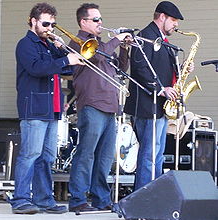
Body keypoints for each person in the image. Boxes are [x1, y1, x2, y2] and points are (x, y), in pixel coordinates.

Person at [9, 2, 83, 214]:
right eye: (46, 23)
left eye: (53, 23)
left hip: (52, 109)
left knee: (47, 157)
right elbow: (36, 68)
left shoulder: (48, 45)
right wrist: (63, 60)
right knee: (30, 155)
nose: (50, 27)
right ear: (33, 21)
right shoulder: (26, 44)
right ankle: (21, 199)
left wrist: (62, 50)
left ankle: (44, 199)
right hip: (34, 108)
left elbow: (67, 68)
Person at [68, 3, 131, 212]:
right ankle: (77, 199)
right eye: (96, 20)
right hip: (92, 105)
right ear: (83, 22)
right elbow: (95, 55)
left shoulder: (103, 45)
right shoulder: (78, 43)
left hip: (110, 106)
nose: (100, 23)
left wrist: (124, 46)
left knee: (104, 158)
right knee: (86, 154)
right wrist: (116, 39)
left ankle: (100, 198)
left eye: (101, 19)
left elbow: (121, 68)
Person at [124, 1, 193, 190]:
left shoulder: (164, 41)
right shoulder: (145, 36)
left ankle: (153, 194)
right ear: (161, 17)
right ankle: (143, 197)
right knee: (149, 155)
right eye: (173, 20)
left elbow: (164, 69)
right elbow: (139, 68)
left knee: (157, 155)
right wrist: (161, 89)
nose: (176, 25)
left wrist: (183, 67)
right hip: (147, 105)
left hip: (160, 107)